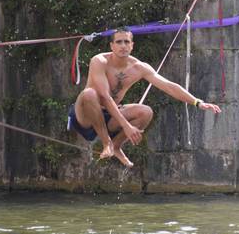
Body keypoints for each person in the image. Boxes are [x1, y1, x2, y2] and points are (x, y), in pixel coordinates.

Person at [68, 26, 221, 167]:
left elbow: (169, 86)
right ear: (111, 46)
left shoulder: (139, 67)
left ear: (132, 45)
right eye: (119, 42)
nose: (123, 45)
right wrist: (127, 126)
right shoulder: (99, 61)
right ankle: (107, 143)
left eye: (126, 42)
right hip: (86, 115)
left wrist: (197, 102)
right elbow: (105, 97)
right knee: (90, 93)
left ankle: (116, 146)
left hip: (110, 117)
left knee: (145, 112)